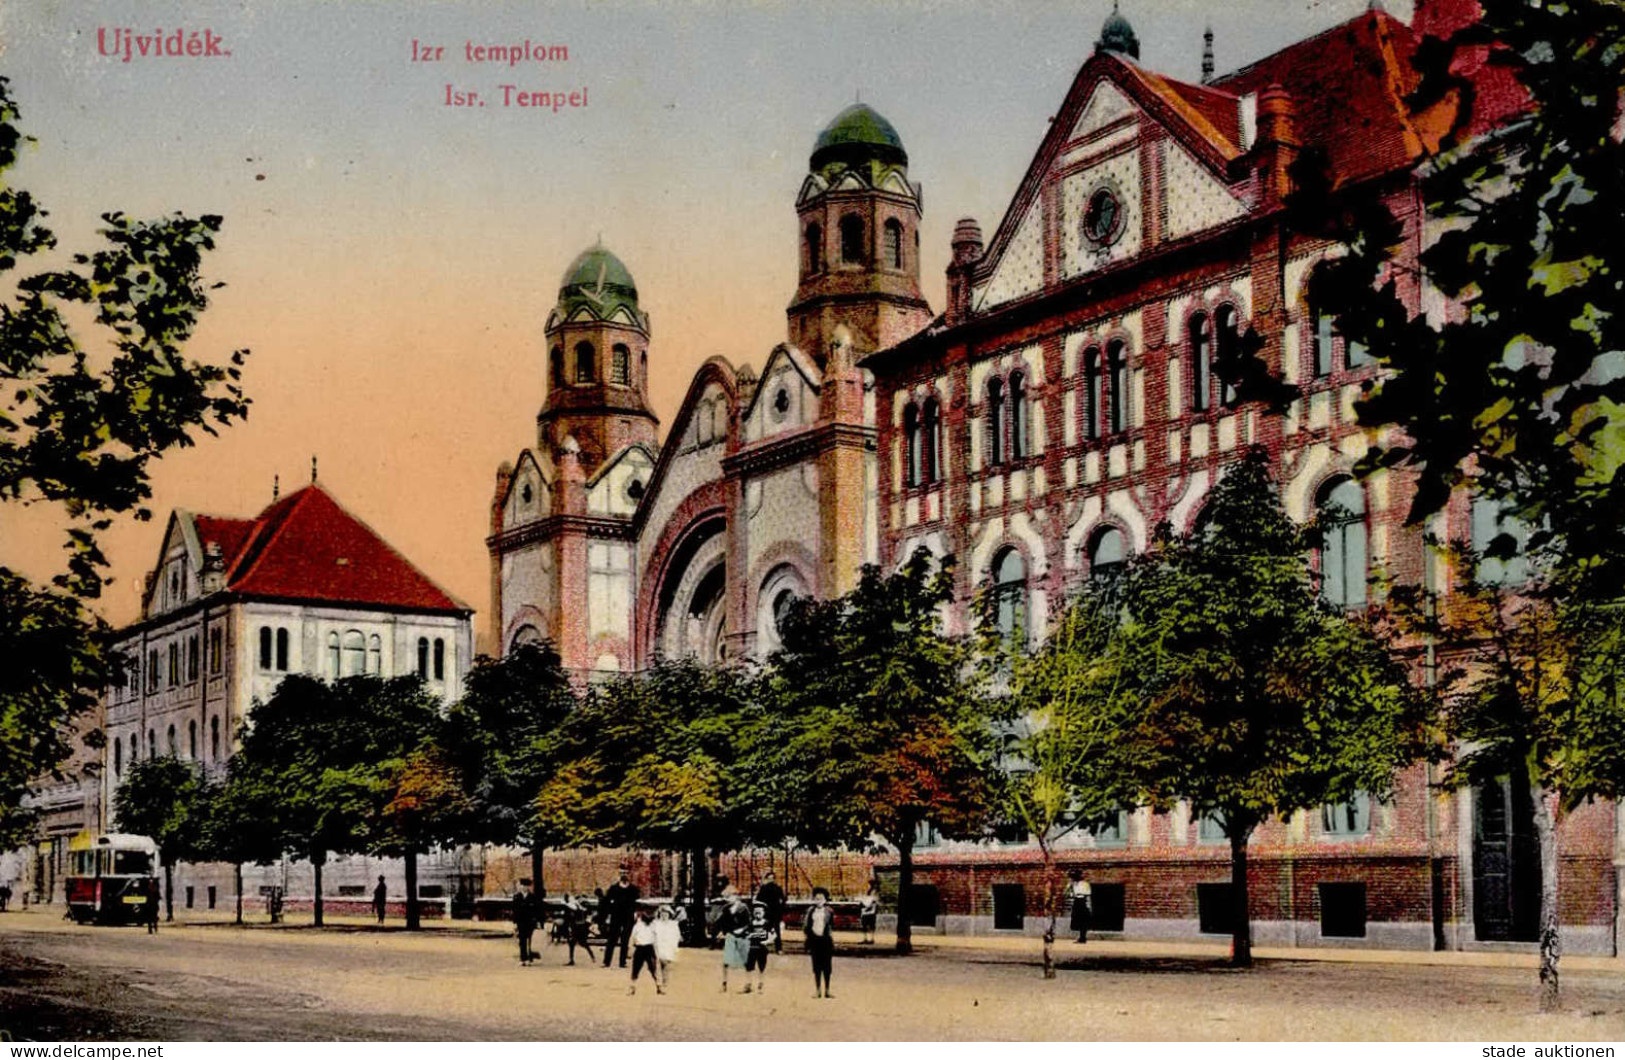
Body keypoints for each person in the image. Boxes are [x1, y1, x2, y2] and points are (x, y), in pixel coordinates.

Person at [601, 870, 640, 968]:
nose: (624, 875)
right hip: (616, 916)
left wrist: (635, 913)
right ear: (619, 875)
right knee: (612, 939)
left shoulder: (633, 889)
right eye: (622, 873)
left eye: (626, 873)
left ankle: (622, 962)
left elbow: (636, 903)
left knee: (625, 940)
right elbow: (607, 902)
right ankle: (607, 962)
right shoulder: (613, 888)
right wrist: (608, 915)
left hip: (628, 916)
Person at [715, 887, 750, 993]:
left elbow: (748, 923)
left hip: (742, 936)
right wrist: (722, 931)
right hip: (730, 935)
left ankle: (748, 983)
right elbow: (723, 922)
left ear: (736, 896)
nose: (728, 899)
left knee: (745, 960)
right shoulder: (726, 909)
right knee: (726, 960)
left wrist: (742, 930)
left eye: (729, 896)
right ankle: (724, 983)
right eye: (726, 897)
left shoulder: (744, 908)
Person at [805, 886, 836, 999]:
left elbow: (831, 925)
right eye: (816, 898)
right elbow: (806, 925)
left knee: (827, 966)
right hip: (815, 940)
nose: (819, 901)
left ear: (825, 899)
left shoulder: (829, 911)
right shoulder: (810, 911)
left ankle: (827, 990)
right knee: (816, 966)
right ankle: (818, 990)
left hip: (825, 940)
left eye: (821, 898)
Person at [741, 899, 771, 994]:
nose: (758, 915)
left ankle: (761, 984)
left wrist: (767, 941)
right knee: (749, 966)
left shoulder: (766, 924)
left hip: (762, 948)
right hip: (752, 948)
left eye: (760, 912)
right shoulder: (751, 924)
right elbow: (746, 934)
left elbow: (773, 934)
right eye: (756, 912)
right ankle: (749, 983)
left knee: (761, 966)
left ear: (763, 913)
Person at [627, 909, 658, 994]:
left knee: (653, 968)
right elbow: (632, 937)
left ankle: (658, 986)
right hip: (640, 948)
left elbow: (657, 938)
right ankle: (632, 987)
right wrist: (630, 949)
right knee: (635, 969)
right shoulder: (638, 925)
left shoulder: (653, 925)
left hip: (649, 947)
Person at [754, 870, 786, 954]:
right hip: (769, 913)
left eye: (772, 878)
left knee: (772, 930)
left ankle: (776, 948)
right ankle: (776, 949)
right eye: (769, 878)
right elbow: (783, 900)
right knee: (767, 930)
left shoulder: (768, 888)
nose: (771, 880)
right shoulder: (767, 888)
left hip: (772, 913)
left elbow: (783, 900)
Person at [652, 904, 681, 994]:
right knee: (657, 966)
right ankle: (659, 985)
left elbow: (676, 936)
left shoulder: (673, 925)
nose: (664, 916)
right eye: (662, 914)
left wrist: (674, 947)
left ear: (669, 915)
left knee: (666, 966)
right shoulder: (656, 924)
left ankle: (665, 982)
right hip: (658, 946)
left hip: (668, 947)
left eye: (666, 914)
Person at [563, 893, 595, 966]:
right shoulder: (579, 906)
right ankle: (591, 956)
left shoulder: (575, 907)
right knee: (578, 943)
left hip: (578, 927)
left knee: (580, 943)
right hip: (579, 927)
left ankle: (590, 955)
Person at [513, 879, 537, 965]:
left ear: (528, 887)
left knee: (530, 940)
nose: (523, 887)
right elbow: (515, 910)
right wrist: (515, 923)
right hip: (521, 922)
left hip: (530, 922)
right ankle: (522, 958)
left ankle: (529, 958)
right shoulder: (517, 897)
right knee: (522, 940)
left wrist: (535, 921)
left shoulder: (532, 897)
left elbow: (536, 910)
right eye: (522, 885)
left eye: (525, 886)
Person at [1069, 871, 1092, 944]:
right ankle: (1081, 936)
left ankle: (1083, 937)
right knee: (1078, 920)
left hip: (1082, 901)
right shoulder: (1073, 885)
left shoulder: (1085, 884)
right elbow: (1071, 894)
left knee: (1083, 920)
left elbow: (1087, 896)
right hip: (1077, 901)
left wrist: (1088, 906)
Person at [859, 879, 879, 944]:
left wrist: (865, 905)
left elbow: (873, 901)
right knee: (866, 926)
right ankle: (867, 938)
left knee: (870, 925)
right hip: (867, 911)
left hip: (870, 911)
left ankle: (870, 938)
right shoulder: (869, 892)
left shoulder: (875, 892)